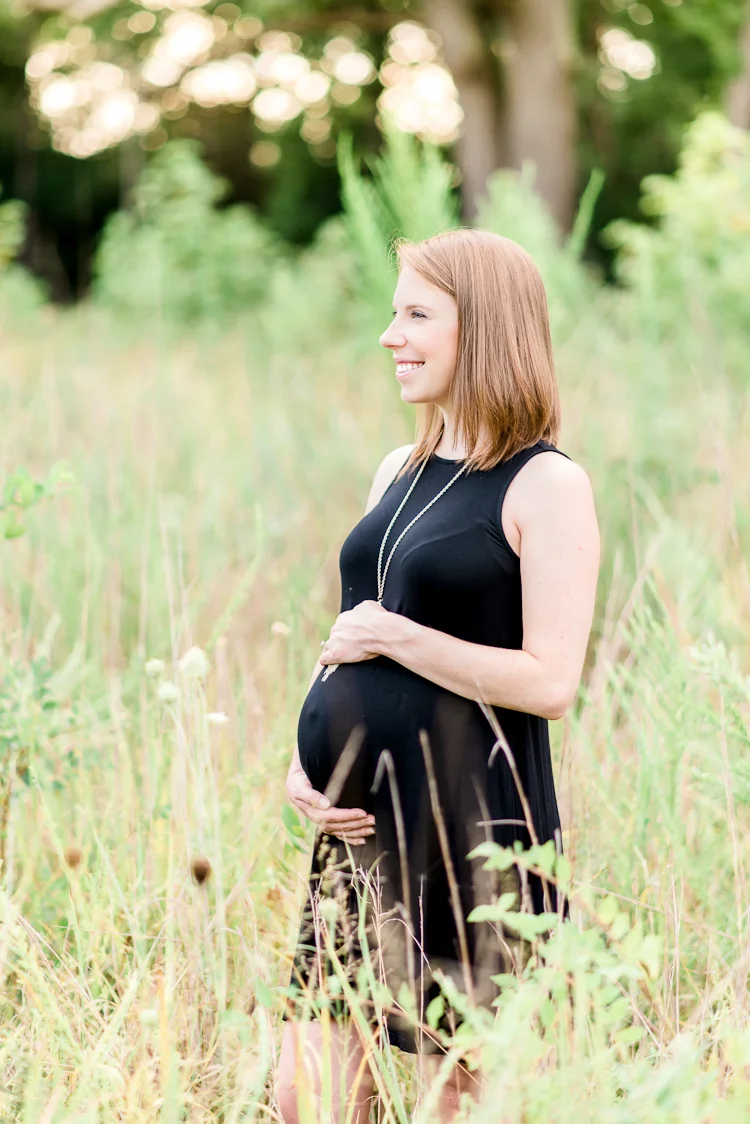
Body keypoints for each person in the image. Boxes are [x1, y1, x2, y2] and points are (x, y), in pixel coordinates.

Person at [276, 229, 600, 1123]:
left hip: (474, 836)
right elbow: (352, 632)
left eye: (417, 315)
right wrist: (308, 760)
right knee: (307, 1097)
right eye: (395, 313)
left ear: (483, 328)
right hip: (358, 835)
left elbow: (550, 682)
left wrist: (402, 636)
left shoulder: (546, 485)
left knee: (458, 1096)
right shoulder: (399, 469)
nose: (391, 336)